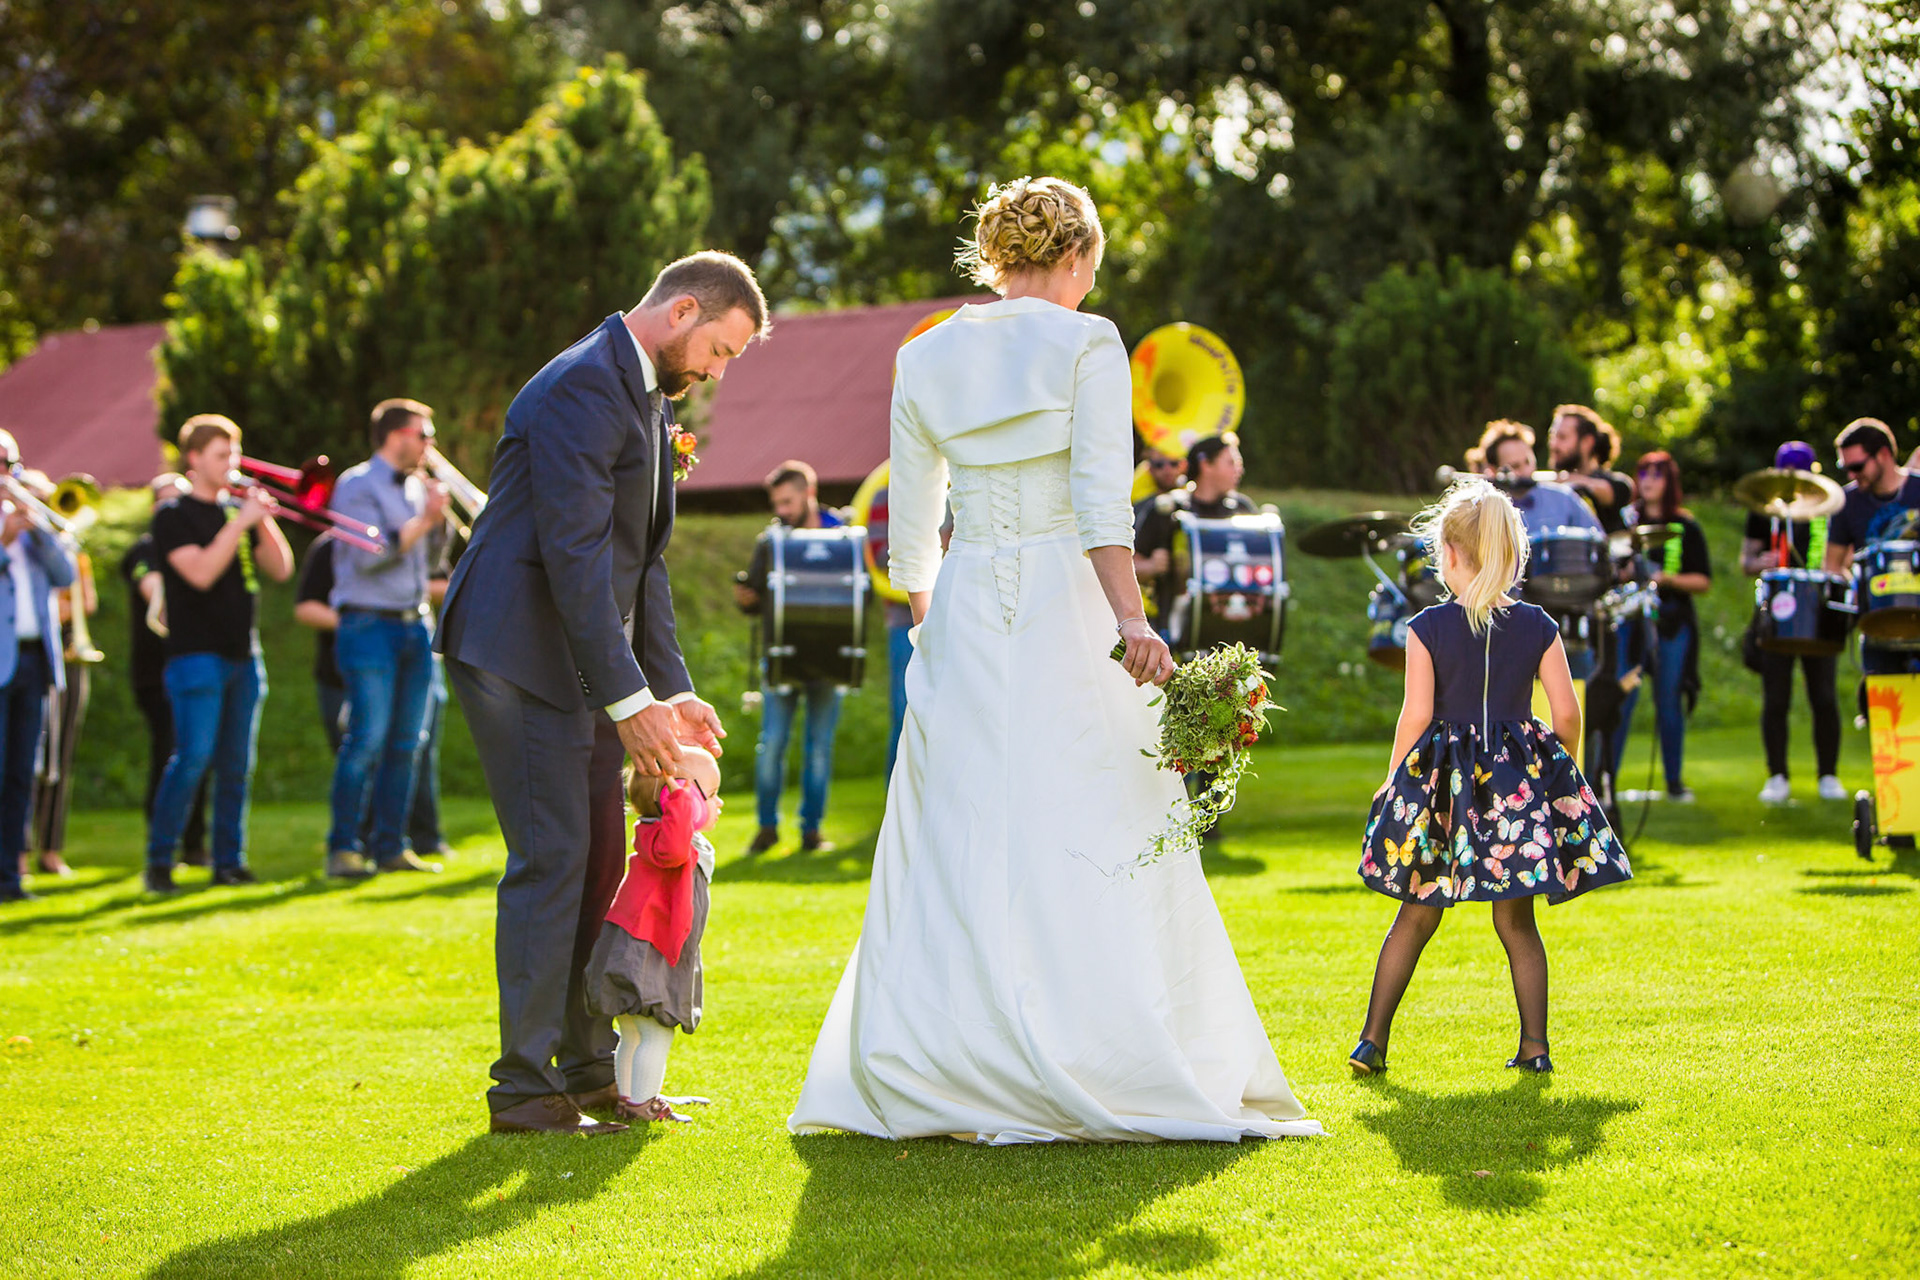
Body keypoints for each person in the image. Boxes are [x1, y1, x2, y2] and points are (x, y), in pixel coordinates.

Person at [789, 175, 1321, 1142]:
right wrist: (1135, 623)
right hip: (1065, 601)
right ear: (1074, 256)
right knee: (1098, 805)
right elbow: (1100, 507)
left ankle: (951, 1055)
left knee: (962, 822)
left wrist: (929, 629)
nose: (1090, 285)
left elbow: (912, 523)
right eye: (1091, 268)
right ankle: (1103, 1046)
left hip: (964, 603)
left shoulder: (925, 353)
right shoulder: (1088, 342)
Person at [438, 250, 763, 1137]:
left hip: (572, 656)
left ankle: (586, 1072)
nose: (717, 371)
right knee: (552, 859)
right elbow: (575, 556)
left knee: (596, 860)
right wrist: (630, 704)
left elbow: (639, 562)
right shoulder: (583, 385)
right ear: (683, 310)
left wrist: (671, 690)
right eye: (721, 349)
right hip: (514, 647)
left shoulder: (650, 396)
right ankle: (522, 1085)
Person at [1350, 477, 1629, 1077]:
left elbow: (1416, 716)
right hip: (1516, 789)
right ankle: (1535, 1048)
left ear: (1450, 554)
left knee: (1416, 912)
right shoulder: (1539, 626)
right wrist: (1558, 770)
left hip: (1442, 788)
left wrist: (1393, 778)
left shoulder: (1424, 628)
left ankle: (1372, 1042)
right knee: (1516, 921)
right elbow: (1567, 714)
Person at [144, 415, 293, 893]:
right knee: (192, 760)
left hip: (243, 655)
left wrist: (261, 520)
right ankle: (160, 862)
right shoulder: (173, 516)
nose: (232, 463)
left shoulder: (238, 512)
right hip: (195, 656)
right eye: (221, 455)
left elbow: (280, 569)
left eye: (234, 453)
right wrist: (240, 523)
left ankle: (230, 862)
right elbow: (201, 573)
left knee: (236, 768)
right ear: (194, 459)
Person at [322, 399, 449, 879]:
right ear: (397, 436)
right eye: (424, 434)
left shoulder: (416, 487)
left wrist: (437, 521)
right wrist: (423, 520)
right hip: (369, 624)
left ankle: (391, 847)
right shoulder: (355, 485)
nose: (430, 444)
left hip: (415, 624)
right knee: (367, 738)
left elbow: (429, 560)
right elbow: (369, 555)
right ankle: (343, 849)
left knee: (407, 742)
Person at [583, 745, 722, 1125]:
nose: (718, 802)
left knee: (632, 1032)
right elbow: (676, 848)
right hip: (647, 952)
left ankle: (630, 1099)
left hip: (638, 946)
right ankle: (644, 1103)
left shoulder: (655, 833)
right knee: (656, 1031)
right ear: (680, 800)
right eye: (711, 794)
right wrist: (680, 798)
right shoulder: (669, 841)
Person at [295, 532, 452, 856]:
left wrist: (400, 592)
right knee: (364, 746)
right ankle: (350, 844)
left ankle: (401, 842)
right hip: (343, 672)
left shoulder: (411, 541)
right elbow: (306, 606)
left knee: (409, 748)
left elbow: (445, 582)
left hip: (409, 657)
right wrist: (365, 621)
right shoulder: (331, 546)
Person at [733, 460, 845, 854]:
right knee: (773, 744)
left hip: (830, 659)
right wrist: (746, 599)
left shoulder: (843, 537)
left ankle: (811, 832)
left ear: (808, 493)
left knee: (819, 749)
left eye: (787, 501)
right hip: (780, 657)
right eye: (777, 503)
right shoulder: (771, 542)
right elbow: (755, 599)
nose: (781, 510)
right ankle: (767, 829)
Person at [1742, 441, 1843, 803]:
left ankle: (1828, 775)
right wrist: (1761, 562)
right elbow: (1746, 561)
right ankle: (1777, 776)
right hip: (1779, 611)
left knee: (1824, 695)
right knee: (1776, 697)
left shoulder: (1829, 510)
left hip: (1818, 609)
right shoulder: (1765, 509)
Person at [0, 437, 76, 904]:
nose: (5, 471)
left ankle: (10, 876)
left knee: (21, 775)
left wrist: (39, 530)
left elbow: (65, 576)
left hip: (34, 660)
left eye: (9, 462)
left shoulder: (28, 517)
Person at [1612, 452, 1712, 800]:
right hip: (1630, 623)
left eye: (1657, 475)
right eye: (1644, 474)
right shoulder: (1626, 524)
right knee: (1622, 699)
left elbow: (1703, 581)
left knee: (1669, 700)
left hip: (1671, 623)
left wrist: (1668, 579)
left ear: (1670, 482)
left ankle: (1673, 781)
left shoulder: (1686, 527)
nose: (1649, 481)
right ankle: (1606, 782)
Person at [121, 474, 207, 868]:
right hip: (156, 672)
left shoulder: (198, 543)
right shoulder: (145, 550)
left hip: (194, 662)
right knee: (170, 753)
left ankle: (194, 843)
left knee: (199, 753)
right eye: (165, 501)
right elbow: (155, 595)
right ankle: (163, 844)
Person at [28, 473, 98, 877]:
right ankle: (18, 849)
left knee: (60, 756)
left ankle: (51, 847)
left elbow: (86, 601)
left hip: (68, 653)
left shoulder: (69, 549)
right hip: (29, 652)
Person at [1132, 434, 1259, 628]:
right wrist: (1151, 566)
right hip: (1174, 628)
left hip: (1233, 622)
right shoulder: (1168, 509)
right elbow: (1128, 564)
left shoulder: (1243, 509)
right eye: (1231, 462)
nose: (1239, 469)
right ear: (1206, 465)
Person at [1473, 420, 1603, 539]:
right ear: (1493, 470)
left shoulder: (1563, 499)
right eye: (1515, 466)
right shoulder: (1482, 510)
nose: (1526, 471)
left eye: (1528, 462)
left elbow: (1599, 540)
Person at [1548, 404, 1634, 534]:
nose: (1554, 444)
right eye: (1552, 436)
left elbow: (1609, 490)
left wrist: (1569, 481)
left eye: (1562, 437)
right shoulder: (1551, 483)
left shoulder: (1617, 484)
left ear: (1587, 442)